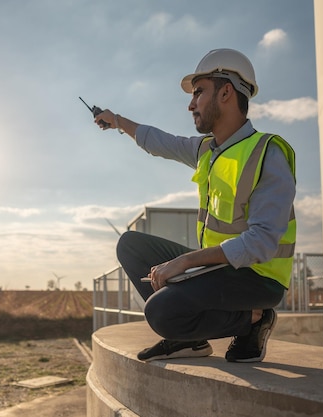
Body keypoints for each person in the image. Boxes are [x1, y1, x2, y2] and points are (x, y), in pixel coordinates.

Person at [94, 48, 296, 363]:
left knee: (159, 312)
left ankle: (254, 321)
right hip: (217, 268)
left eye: (199, 92)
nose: (191, 104)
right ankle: (190, 339)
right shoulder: (206, 150)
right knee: (131, 245)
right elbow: (161, 142)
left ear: (226, 92)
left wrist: (185, 262)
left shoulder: (267, 153)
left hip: (257, 278)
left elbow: (262, 243)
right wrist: (117, 121)